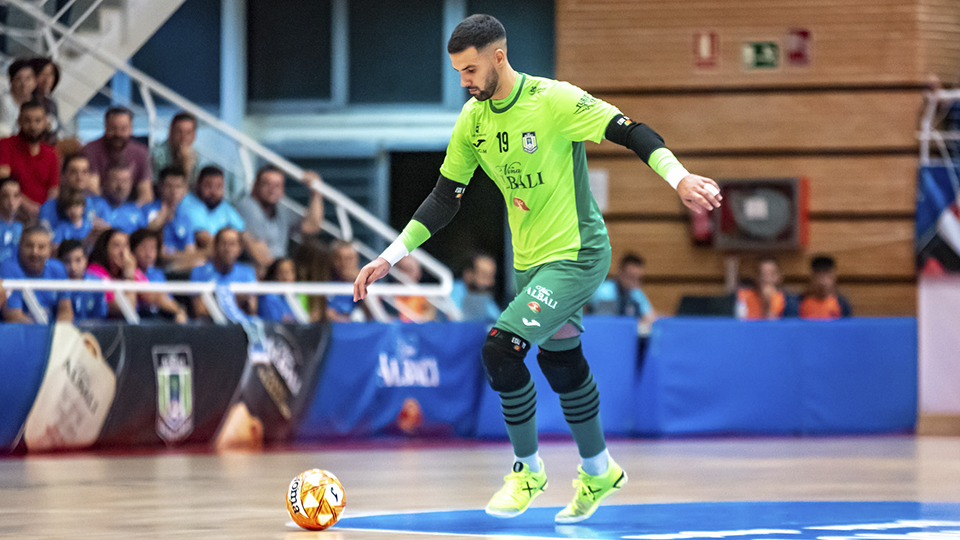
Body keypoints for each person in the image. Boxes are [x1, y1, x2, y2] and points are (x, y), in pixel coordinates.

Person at [353, 14, 722, 524]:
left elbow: (632, 131)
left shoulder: (554, 101)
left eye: (470, 69)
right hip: (530, 264)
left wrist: (678, 178)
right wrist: (388, 257)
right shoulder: (473, 121)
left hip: (577, 254)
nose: (464, 81)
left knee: (501, 350)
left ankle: (527, 470)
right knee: (561, 363)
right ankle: (599, 470)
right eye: (458, 71)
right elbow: (445, 199)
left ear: (498, 57)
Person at [87, 227, 186, 322]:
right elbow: (125, 310)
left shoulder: (131, 271)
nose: (123, 252)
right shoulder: (95, 272)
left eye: (125, 246)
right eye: (116, 246)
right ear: (105, 249)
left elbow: (154, 296)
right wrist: (129, 276)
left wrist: (178, 311)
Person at [235, 165, 324, 268]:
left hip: (277, 272)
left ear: (282, 190)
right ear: (255, 186)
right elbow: (262, 256)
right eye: (267, 184)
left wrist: (316, 191)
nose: (272, 190)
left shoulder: (282, 209)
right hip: (255, 274)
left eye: (277, 185)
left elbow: (312, 226)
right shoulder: (247, 206)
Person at [1, 225, 73, 323]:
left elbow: (66, 310)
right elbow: (14, 316)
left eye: (41, 247)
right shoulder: (8, 268)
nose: (35, 252)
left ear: (49, 250)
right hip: (19, 334)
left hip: (51, 332)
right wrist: (43, 334)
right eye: (29, 246)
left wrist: (58, 334)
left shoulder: (58, 268)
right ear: (20, 246)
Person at [81, 107, 153, 205]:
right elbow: (92, 190)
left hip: (130, 209)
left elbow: (146, 193)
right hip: (100, 208)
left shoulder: (141, 152)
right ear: (105, 126)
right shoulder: (91, 150)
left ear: (131, 128)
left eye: (123, 129)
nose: (118, 134)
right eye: (113, 128)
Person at [0, 101, 60, 219]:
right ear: (19, 121)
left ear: (45, 123)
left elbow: (54, 190)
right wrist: (26, 204)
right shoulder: (5, 145)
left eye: (38, 121)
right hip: (12, 213)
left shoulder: (51, 153)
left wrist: (45, 212)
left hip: (43, 215)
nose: (33, 126)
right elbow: (3, 182)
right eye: (27, 121)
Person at [142, 166, 204, 270]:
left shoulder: (185, 218)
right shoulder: (148, 211)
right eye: (169, 186)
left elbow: (190, 252)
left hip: (178, 268)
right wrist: (162, 218)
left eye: (178, 186)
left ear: (184, 190)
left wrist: (174, 256)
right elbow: (156, 252)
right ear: (160, 186)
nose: (173, 191)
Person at [190, 227, 257, 318]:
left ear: (239, 249)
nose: (227, 249)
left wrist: (244, 303)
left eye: (232, 244)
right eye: (224, 243)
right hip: (213, 327)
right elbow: (200, 310)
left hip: (242, 327)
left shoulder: (248, 273)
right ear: (216, 247)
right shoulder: (199, 272)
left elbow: (252, 310)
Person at [587, 252, 657, 335]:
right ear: (621, 273)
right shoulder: (606, 292)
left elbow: (652, 319)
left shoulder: (636, 293)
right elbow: (606, 324)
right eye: (630, 277)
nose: (634, 283)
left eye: (638, 279)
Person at [179, 166, 245, 252]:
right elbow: (203, 239)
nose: (213, 192)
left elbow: (242, 233)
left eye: (219, 187)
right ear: (198, 184)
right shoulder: (188, 202)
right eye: (208, 186)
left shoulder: (224, 206)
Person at [129, 228, 188, 323]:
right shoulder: (130, 272)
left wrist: (179, 311)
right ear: (133, 249)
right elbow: (153, 297)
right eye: (143, 247)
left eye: (152, 248)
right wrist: (176, 310)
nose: (148, 253)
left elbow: (167, 299)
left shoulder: (158, 274)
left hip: (160, 318)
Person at [39, 153, 98, 231]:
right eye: (73, 172)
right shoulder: (48, 208)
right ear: (63, 175)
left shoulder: (95, 203)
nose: (79, 177)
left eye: (84, 172)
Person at [56, 239, 107, 321]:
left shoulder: (96, 283)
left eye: (78, 260)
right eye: (66, 261)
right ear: (59, 262)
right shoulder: (54, 284)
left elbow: (100, 318)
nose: (73, 267)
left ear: (85, 260)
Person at [789, 254, 852, 320]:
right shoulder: (797, 303)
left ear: (834, 277)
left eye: (828, 276)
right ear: (812, 277)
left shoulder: (842, 304)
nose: (823, 282)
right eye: (819, 276)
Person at [90, 164, 146, 234]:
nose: (120, 186)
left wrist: (110, 228)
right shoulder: (94, 204)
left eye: (125, 181)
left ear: (131, 184)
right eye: (115, 180)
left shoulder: (138, 212)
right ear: (106, 182)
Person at [151, 111, 202, 185]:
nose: (183, 137)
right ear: (171, 132)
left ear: (194, 136)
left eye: (188, 133)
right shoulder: (156, 153)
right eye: (179, 132)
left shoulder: (195, 156)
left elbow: (192, 188)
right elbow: (161, 186)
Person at [450, 251, 501, 324]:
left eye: (492, 276)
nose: (490, 282)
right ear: (468, 274)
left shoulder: (485, 299)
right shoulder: (449, 293)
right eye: (484, 276)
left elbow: (499, 321)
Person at [393, 255, 436, 323]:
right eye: (401, 269)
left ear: (418, 273)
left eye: (408, 270)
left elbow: (430, 320)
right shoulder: (386, 296)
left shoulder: (427, 297)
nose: (404, 275)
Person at [0, 59, 37, 137]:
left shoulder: (36, 102)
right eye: (18, 79)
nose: (24, 84)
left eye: (28, 79)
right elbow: (4, 133)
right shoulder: (5, 101)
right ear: (11, 82)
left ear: (35, 82)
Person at [28, 57, 61, 144]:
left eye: (50, 74)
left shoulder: (52, 103)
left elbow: (57, 129)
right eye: (42, 74)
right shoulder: (26, 99)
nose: (47, 80)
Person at [257, 257, 299, 322]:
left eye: (289, 272)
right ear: (274, 275)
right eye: (282, 273)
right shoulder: (268, 298)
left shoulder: (294, 296)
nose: (286, 277)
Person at [0, 177, 23, 265]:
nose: (11, 201)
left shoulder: (24, 227)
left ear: (20, 200)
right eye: (5, 196)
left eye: (15, 196)